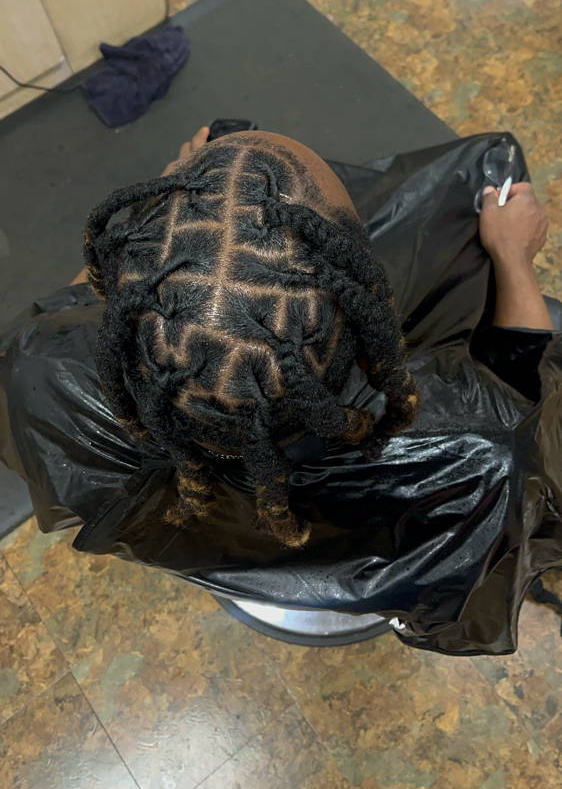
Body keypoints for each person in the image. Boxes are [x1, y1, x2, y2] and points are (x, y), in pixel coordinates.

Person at [2, 125, 561, 655]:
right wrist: (514, 259)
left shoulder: (41, 370)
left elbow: (73, 309)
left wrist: (176, 212)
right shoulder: (478, 460)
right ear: (372, 343)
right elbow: (520, 378)